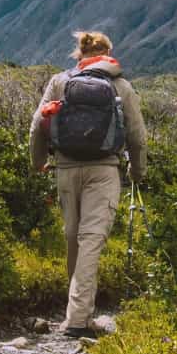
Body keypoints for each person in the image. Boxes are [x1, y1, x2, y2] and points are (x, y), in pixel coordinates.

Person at [29, 31, 147, 337]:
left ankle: (76, 310)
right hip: (104, 171)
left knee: (73, 238)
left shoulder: (60, 81)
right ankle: (79, 320)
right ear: (108, 53)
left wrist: (38, 161)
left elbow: (38, 124)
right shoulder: (121, 86)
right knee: (91, 241)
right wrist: (136, 172)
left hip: (66, 170)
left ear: (78, 55)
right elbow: (137, 137)